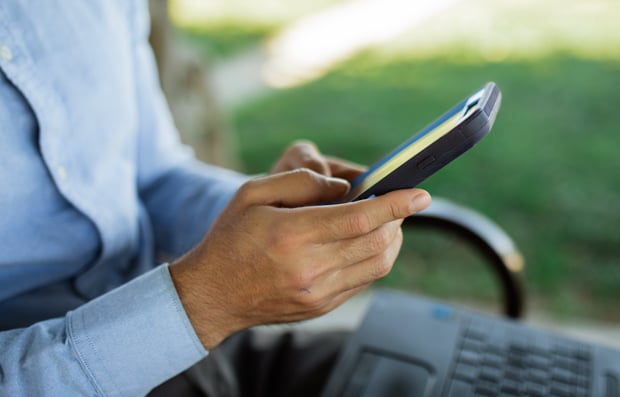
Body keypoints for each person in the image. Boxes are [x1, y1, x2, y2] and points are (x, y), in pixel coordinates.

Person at [0, 1, 431, 396]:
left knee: (444, 372)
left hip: (205, 349)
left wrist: (266, 216)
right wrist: (204, 302)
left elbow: (153, 175)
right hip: (87, 366)